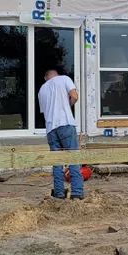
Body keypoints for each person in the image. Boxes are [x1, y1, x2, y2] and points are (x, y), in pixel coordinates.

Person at [37, 68, 84, 200]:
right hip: (65, 124)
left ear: (46, 78)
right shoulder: (64, 79)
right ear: (56, 75)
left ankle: (58, 193)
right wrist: (67, 106)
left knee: (57, 162)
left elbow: (45, 111)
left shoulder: (42, 89)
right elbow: (74, 96)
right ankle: (77, 193)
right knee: (73, 158)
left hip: (51, 129)